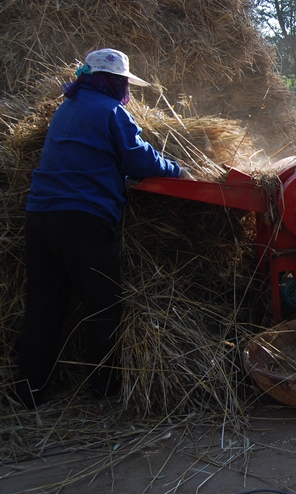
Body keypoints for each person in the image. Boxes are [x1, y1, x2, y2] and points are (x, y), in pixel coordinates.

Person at [15, 48, 190, 409]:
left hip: (40, 218)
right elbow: (138, 158)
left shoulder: (66, 109)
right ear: (115, 82)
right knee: (102, 306)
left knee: (43, 307)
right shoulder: (112, 112)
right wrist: (178, 171)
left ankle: (28, 393)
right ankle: (103, 393)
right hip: (84, 221)